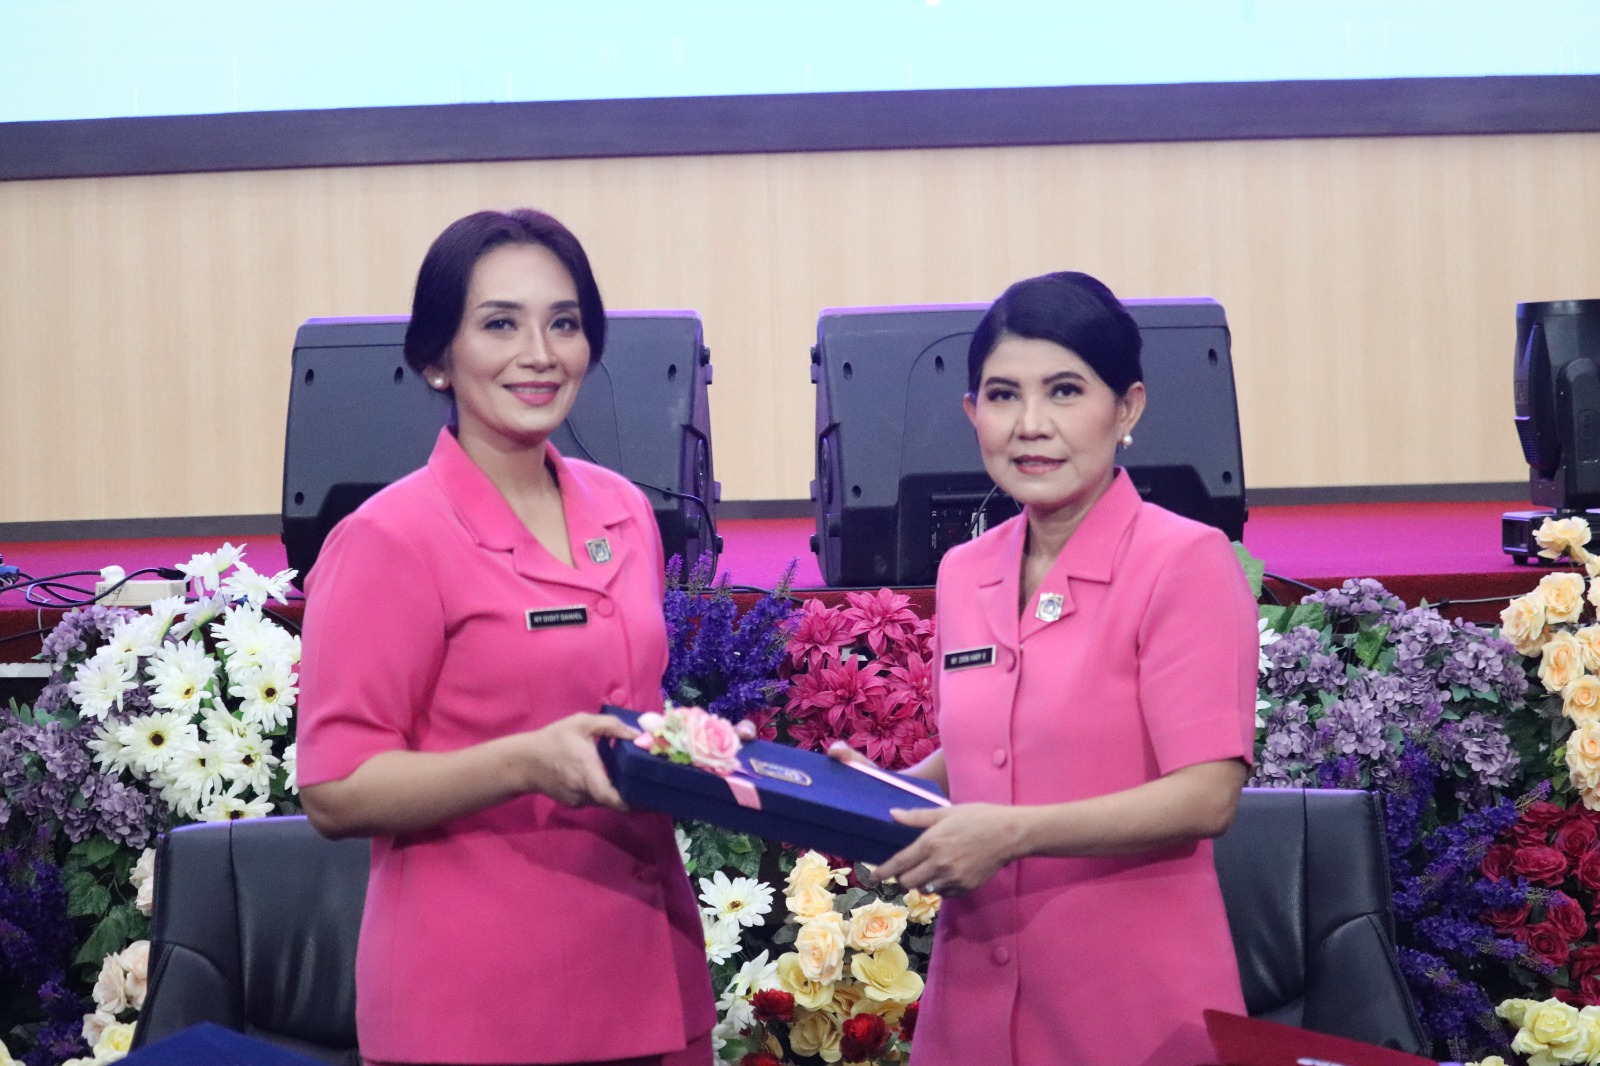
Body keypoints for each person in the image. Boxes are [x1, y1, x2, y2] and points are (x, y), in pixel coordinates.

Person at [295, 209, 715, 1066]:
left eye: (563, 323)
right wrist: (524, 763)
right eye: (499, 324)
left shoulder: (624, 510)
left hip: (648, 972)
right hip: (480, 1005)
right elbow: (335, 788)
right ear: (436, 358)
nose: (539, 353)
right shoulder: (389, 538)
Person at [841, 271, 1258, 1066]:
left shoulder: (1185, 561)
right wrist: (878, 791)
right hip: (972, 1013)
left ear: (1126, 408)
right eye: (1003, 396)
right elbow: (993, 748)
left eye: (1065, 391)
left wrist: (1011, 833)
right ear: (973, 413)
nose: (1031, 426)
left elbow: (1207, 794)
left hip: (1132, 1013)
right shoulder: (965, 572)